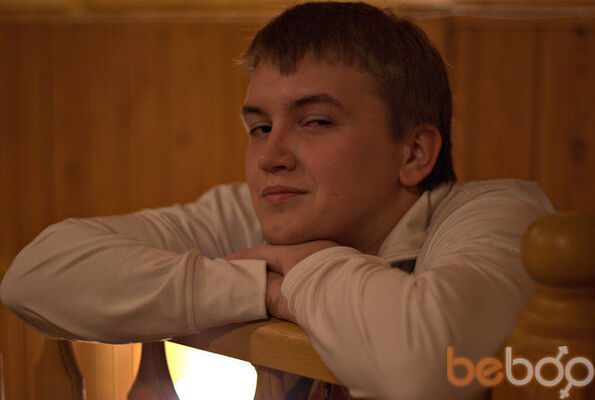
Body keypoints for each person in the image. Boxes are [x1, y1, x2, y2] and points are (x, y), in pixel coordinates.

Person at [0, 2, 554, 399]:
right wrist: (261, 288)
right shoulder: (258, 213)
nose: (270, 156)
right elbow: (37, 274)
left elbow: (426, 367)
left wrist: (310, 266)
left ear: (413, 153)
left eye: (316, 122)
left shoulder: (502, 215)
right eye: (260, 127)